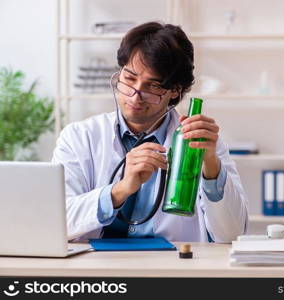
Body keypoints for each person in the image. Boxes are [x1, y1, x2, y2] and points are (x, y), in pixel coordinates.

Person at [52, 22, 248, 243]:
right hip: (96, 270)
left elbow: (233, 234)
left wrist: (211, 166)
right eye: (129, 78)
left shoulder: (201, 143)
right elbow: (57, 222)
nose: (135, 96)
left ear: (175, 92)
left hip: (170, 269)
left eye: (153, 86)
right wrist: (120, 190)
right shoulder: (79, 137)